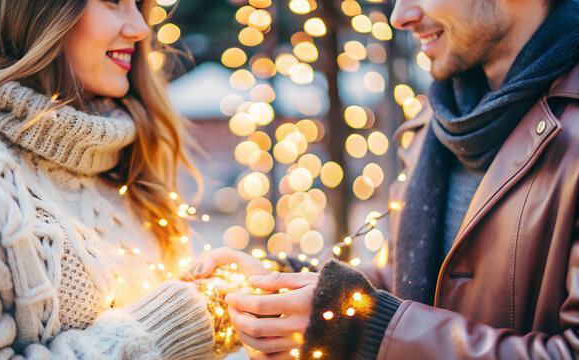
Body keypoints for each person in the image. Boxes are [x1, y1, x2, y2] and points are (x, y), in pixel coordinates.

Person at [188, 0, 579, 358]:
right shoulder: (436, 125)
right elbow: (422, 286)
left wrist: (365, 330)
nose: (399, 16)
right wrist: (293, 287)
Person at [0, 0, 216, 358]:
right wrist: (166, 329)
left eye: (139, 5)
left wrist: (227, 302)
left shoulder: (123, 157)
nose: (141, 28)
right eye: (115, 2)